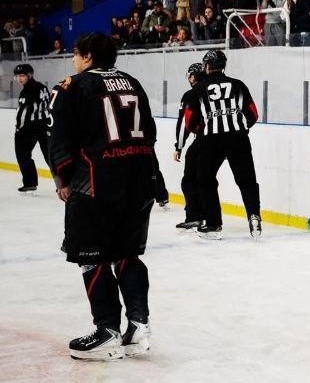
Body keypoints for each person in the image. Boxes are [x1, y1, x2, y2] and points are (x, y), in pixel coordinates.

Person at [48, 33, 157, 360]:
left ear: (88, 56)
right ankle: (138, 327)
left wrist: (63, 177)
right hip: (139, 179)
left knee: (91, 255)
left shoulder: (72, 86)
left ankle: (107, 331)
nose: (73, 59)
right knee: (127, 254)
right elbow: (149, 132)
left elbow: (59, 138)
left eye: (76, 54)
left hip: (94, 182)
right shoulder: (132, 82)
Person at [182, 49, 262, 239]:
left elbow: (189, 121)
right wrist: (242, 127)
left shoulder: (198, 89)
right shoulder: (238, 85)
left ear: (207, 66)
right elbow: (253, 113)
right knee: (247, 180)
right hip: (238, 137)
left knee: (205, 179)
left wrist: (202, 130)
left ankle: (213, 224)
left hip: (211, 140)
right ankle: (254, 216)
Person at [173, 63, 207, 232]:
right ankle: (207, 216)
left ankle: (195, 216)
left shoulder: (191, 94)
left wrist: (178, 146)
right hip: (227, 139)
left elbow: (184, 124)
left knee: (189, 180)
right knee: (206, 179)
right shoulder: (213, 89)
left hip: (202, 140)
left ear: (193, 76)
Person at [13, 62, 51, 193]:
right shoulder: (42, 87)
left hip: (29, 128)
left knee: (22, 155)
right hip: (45, 125)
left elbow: (23, 113)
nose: (19, 79)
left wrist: (19, 128)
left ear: (29, 75)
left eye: (22, 75)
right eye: (18, 76)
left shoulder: (28, 90)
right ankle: (65, 183)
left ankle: (30, 182)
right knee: (50, 156)